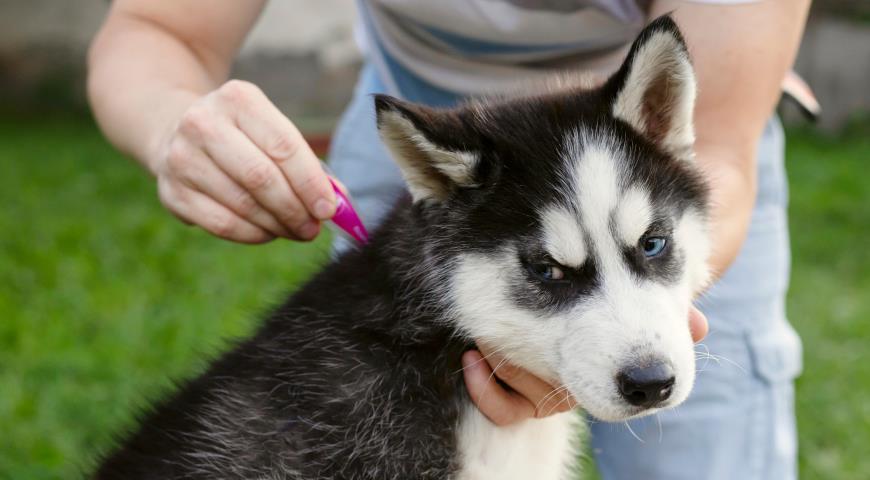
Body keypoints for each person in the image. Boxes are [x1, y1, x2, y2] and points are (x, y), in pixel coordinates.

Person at [87, 1, 810, 478]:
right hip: (438, 141)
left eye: (652, 249)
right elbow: (161, 26)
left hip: (653, 137)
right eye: (556, 275)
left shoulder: (669, 133)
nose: (639, 346)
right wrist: (171, 121)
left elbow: (714, 146)